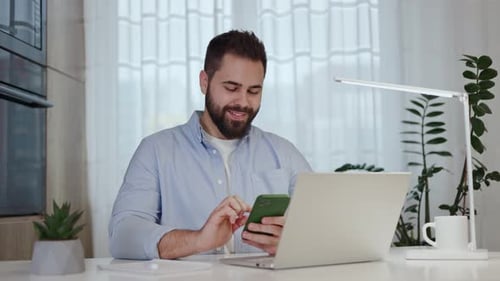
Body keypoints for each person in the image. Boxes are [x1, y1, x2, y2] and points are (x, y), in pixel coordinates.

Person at [109, 30, 312, 260]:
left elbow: (324, 227)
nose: (243, 102)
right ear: (204, 82)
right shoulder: (156, 151)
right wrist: (199, 240)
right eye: (231, 88)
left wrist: (294, 244)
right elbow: (123, 235)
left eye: (254, 91)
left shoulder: (285, 154)